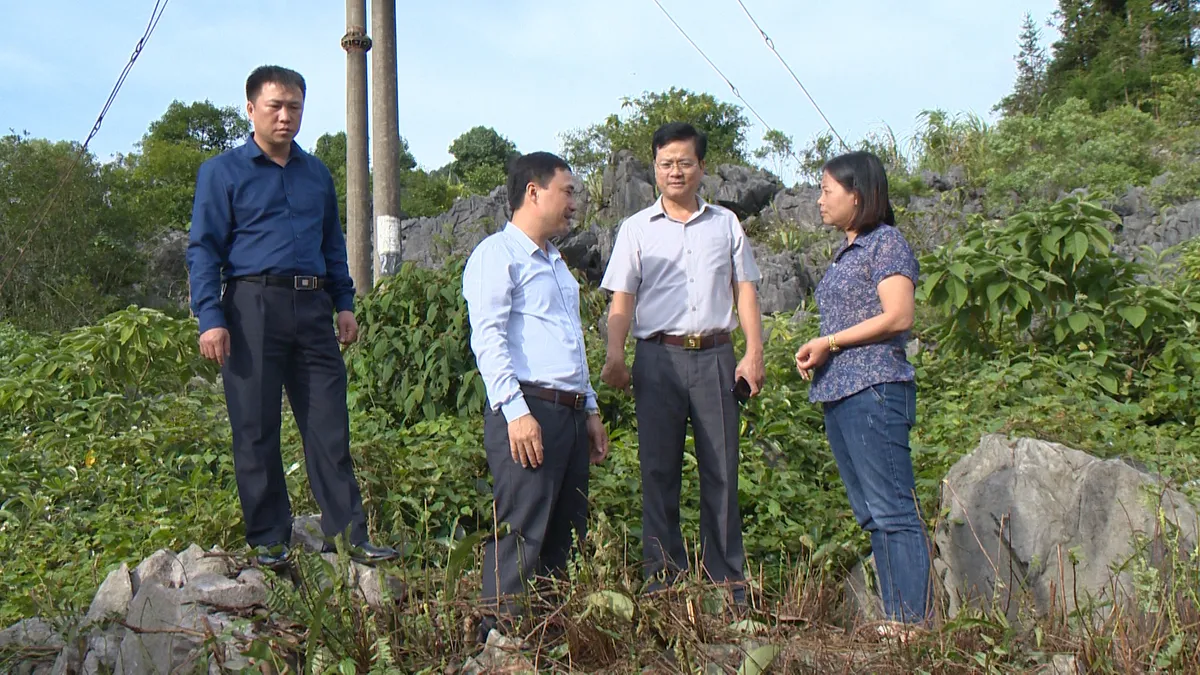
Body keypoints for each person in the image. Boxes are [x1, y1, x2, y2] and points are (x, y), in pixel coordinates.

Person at [186, 65, 397, 569]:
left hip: (314, 308)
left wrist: (344, 303)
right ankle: (268, 538)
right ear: (251, 109)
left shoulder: (316, 173)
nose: (285, 116)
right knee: (255, 427)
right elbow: (203, 249)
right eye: (275, 106)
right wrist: (210, 317)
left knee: (329, 423)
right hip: (250, 307)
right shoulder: (223, 172)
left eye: (294, 107)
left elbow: (332, 244)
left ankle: (348, 535)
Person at [599, 122, 764, 601]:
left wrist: (754, 353)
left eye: (685, 162)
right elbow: (622, 300)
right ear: (655, 168)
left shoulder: (725, 224)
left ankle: (728, 581)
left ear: (701, 168)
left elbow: (745, 291)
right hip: (657, 360)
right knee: (658, 470)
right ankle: (662, 580)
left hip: (716, 356)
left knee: (722, 469)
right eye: (666, 163)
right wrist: (615, 354)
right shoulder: (635, 229)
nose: (676, 171)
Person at [462, 151, 610, 632]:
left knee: (565, 534)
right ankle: (498, 642)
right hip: (528, 408)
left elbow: (569, 341)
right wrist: (514, 411)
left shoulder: (556, 263)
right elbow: (488, 337)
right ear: (533, 191)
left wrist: (588, 408)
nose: (574, 203)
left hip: (566, 412)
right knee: (522, 530)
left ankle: (546, 639)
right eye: (567, 192)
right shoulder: (497, 255)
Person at [794, 150, 931, 633]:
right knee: (872, 512)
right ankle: (898, 620)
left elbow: (899, 315)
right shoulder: (848, 251)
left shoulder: (886, 244)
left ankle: (912, 622)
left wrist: (829, 341)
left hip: (875, 388)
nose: (819, 200)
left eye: (827, 191)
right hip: (842, 394)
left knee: (893, 506)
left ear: (858, 195)